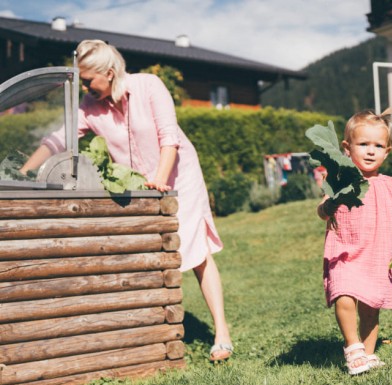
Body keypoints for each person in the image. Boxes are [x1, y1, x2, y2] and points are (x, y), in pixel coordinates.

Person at [20, 40, 234, 363]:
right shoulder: (90, 107)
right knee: (147, 255)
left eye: (88, 80)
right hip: (139, 187)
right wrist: (23, 171)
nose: (85, 87)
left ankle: (222, 333)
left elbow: (169, 138)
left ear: (108, 73)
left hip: (178, 175)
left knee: (195, 252)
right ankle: (151, 330)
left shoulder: (150, 86)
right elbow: (58, 139)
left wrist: (160, 178)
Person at [316, 109, 392, 375]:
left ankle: (368, 354)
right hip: (344, 252)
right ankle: (353, 346)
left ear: (387, 152)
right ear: (347, 148)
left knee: (371, 309)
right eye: (363, 144)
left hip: (375, 257)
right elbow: (321, 211)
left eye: (378, 146)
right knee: (342, 294)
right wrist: (330, 205)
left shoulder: (389, 185)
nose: (370, 151)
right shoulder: (339, 179)